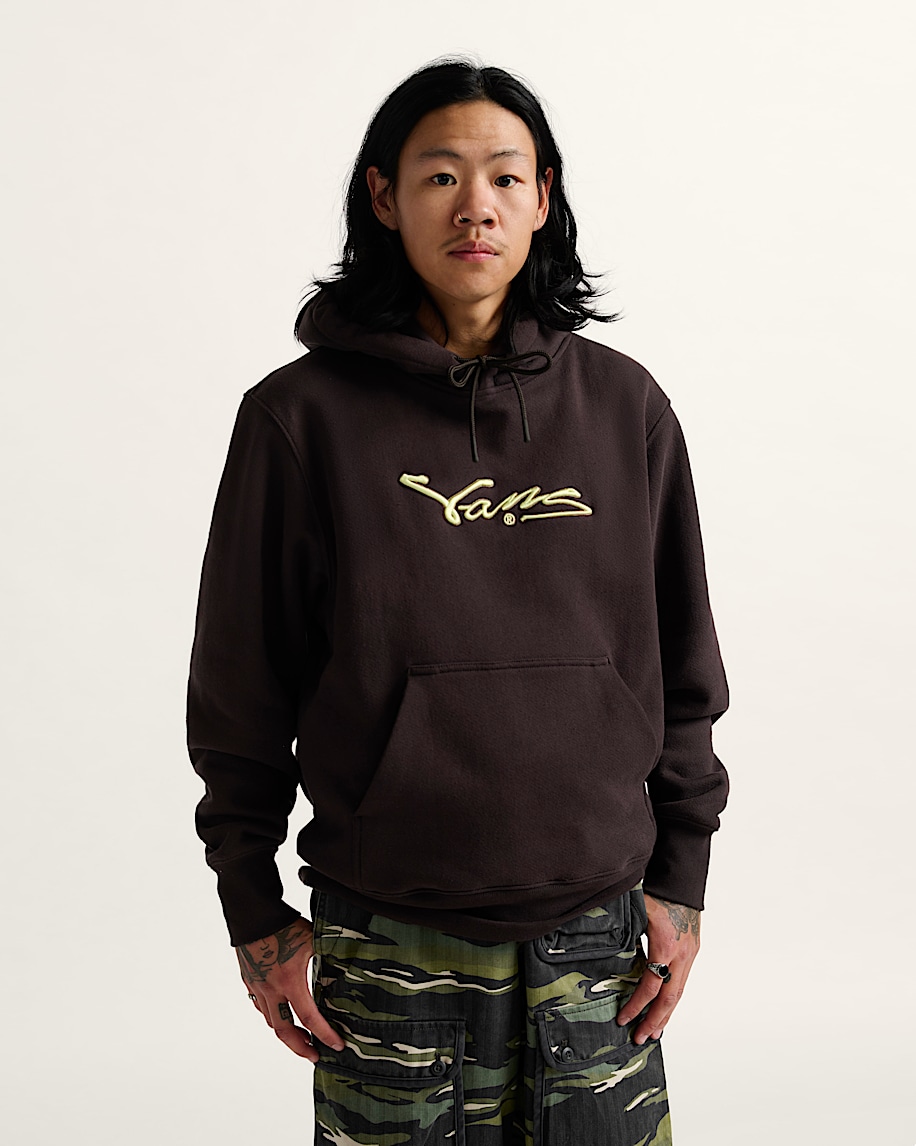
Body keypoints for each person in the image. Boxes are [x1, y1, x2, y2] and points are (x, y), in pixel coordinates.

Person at [187, 56, 729, 1145]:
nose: (474, 205)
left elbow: (683, 667)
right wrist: (253, 909)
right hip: (390, 939)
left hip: (599, 940)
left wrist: (682, 875)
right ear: (384, 198)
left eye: (504, 177)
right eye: (440, 176)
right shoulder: (299, 422)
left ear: (542, 198)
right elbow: (241, 688)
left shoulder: (625, 408)